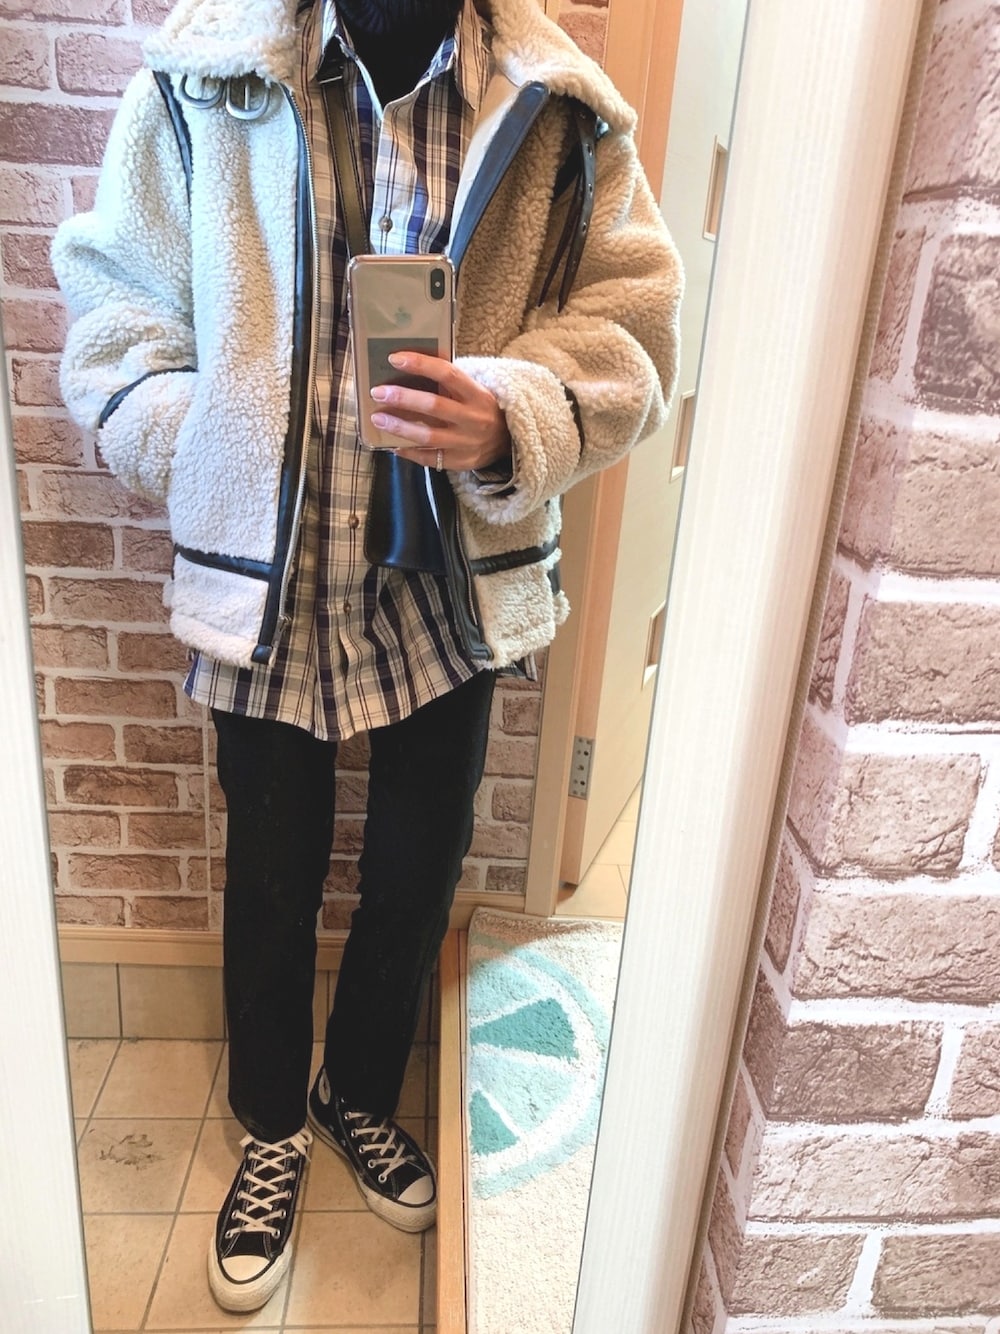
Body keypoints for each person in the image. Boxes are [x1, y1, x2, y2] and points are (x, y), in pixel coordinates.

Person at [52, 0, 682, 1314]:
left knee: (416, 866)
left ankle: (358, 1089)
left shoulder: (560, 106)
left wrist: (512, 412)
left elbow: (633, 323)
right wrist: (213, 455)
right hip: (267, 582)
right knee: (271, 873)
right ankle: (272, 1123)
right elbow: (117, 315)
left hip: (446, 579)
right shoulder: (204, 78)